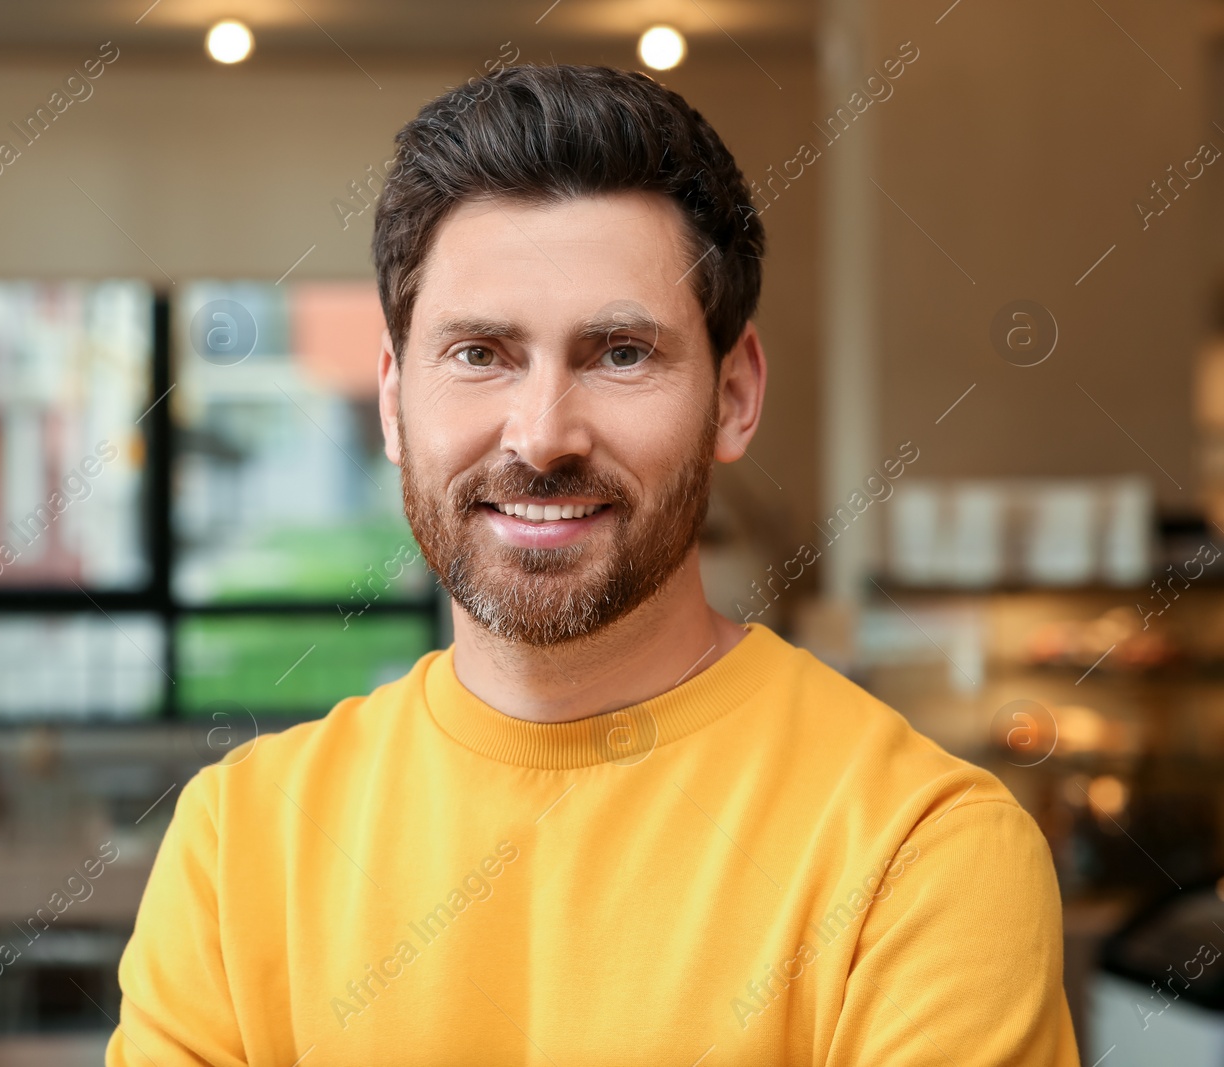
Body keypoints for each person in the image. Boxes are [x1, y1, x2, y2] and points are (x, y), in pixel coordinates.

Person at [108, 63, 1078, 1066]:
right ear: (395, 401)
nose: (542, 437)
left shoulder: (920, 851)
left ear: (736, 393)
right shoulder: (237, 846)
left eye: (618, 352)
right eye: (480, 352)